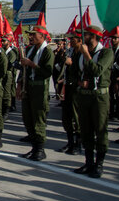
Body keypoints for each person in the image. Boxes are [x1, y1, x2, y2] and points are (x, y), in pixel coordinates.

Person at [73, 25, 114, 178]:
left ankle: (99, 164)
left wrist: (87, 55)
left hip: (99, 97)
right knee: (86, 129)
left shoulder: (106, 52)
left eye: (86, 35)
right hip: (84, 95)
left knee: (100, 129)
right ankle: (88, 162)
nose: (82, 38)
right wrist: (79, 81)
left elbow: (97, 70)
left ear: (94, 36)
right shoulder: (81, 52)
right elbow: (75, 72)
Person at [17, 25, 54, 161]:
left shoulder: (47, 51)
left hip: (40, 88)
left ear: (42, 36)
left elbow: (47, 72)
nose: (30, 37)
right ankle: (33, 147)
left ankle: (40, 149)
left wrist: (32, 64)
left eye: (34, 34)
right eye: (30, 34)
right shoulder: (31, 49)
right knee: (28, 118)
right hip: (29, 87)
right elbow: (24, 70)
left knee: (38, 119)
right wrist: (20, 85)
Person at [57, 31, 82, 155]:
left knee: (76, 117)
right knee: (66, 117)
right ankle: (70, 142)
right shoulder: (71, 51)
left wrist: (71, 64)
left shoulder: (83, 53)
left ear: (79, 40)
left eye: (73, 39)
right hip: (68, 87)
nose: (70, 41)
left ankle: (78, 143)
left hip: (77, 89)